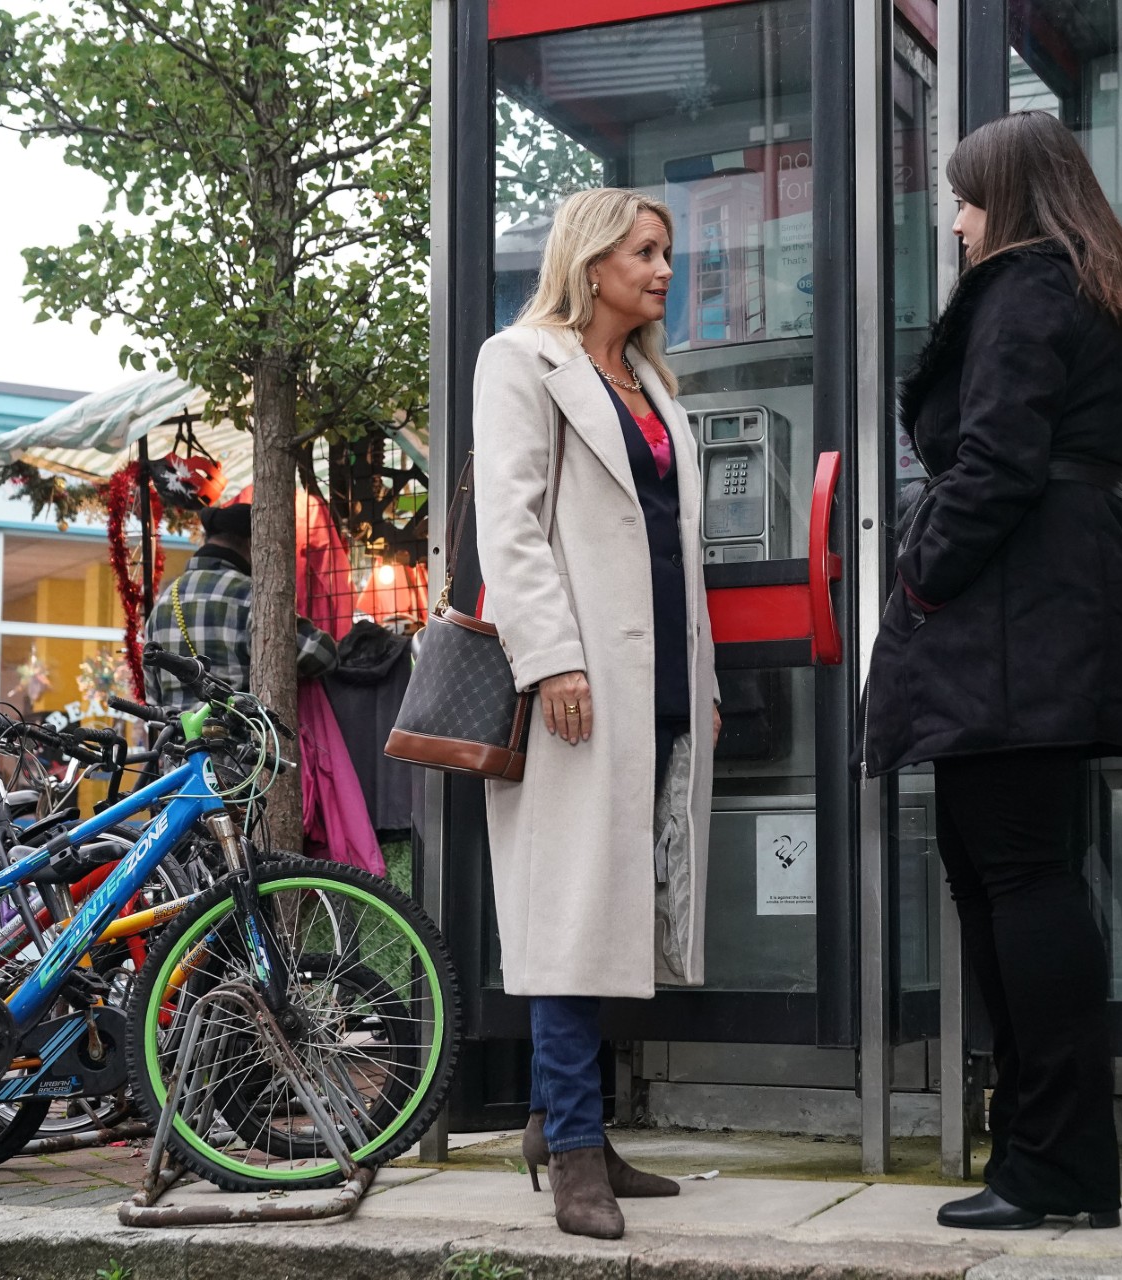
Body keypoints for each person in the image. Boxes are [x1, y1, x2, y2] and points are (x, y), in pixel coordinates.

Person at [863, 111, 1122, 1232]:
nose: (955, 220)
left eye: (968, 198)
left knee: (1017, 872)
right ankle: (1044, 1154)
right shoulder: (1097, 288)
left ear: (1013, 200)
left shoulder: (1027, 288)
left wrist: (924, 581)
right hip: (1057, 607)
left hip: (1010, 615)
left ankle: (1055, 1167)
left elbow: (993, 461)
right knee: (1008, 870)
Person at [471, 187, 722, 1241]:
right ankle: (574, 1149)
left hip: (658, 676)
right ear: (593, 257)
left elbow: (676, 546)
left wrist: (701, 681)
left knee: (621, 905)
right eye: (647, 250)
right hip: (575, 678)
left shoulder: (653, 385)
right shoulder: (521, 358)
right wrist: (552, 658)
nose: (664, 269)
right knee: (573, 911)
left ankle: (567, 1120)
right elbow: (511, 524)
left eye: (668, 252)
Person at [143, 492, 340, 707]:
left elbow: (153, 697)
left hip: (177, 738)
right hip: (243, 737)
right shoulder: (251, 597)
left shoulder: (162, 606)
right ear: (251, 545)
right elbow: (323, 655)